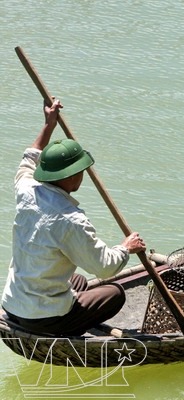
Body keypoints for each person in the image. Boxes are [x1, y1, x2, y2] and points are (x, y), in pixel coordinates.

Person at [1, 99, 146, 336]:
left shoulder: (27, 189)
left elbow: (29, 159)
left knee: (77, 280)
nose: (82, 175)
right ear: (70, 177)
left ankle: (60, 309)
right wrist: (125, 248)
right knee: (115, 293)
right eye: (80, 171)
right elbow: (104, 267)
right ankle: (63, 325)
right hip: (43, 319)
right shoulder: (70, 219)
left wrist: (49, 125)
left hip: (13, 304)